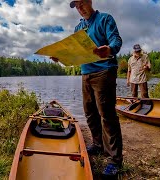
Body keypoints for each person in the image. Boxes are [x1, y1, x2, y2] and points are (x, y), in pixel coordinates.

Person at [52, 0, 123, 177]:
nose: (80, 8)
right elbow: (75, 54)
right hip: (86, 73)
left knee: (106, 114)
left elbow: (116, 39)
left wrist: (110, 49)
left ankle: (115, 160)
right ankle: (98, 145)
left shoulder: (105, 19)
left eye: (82, 3)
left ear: (90, 1)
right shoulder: (78, 28)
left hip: (104, 71)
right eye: (76, 6)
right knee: (89, 112)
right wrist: (61, 58)